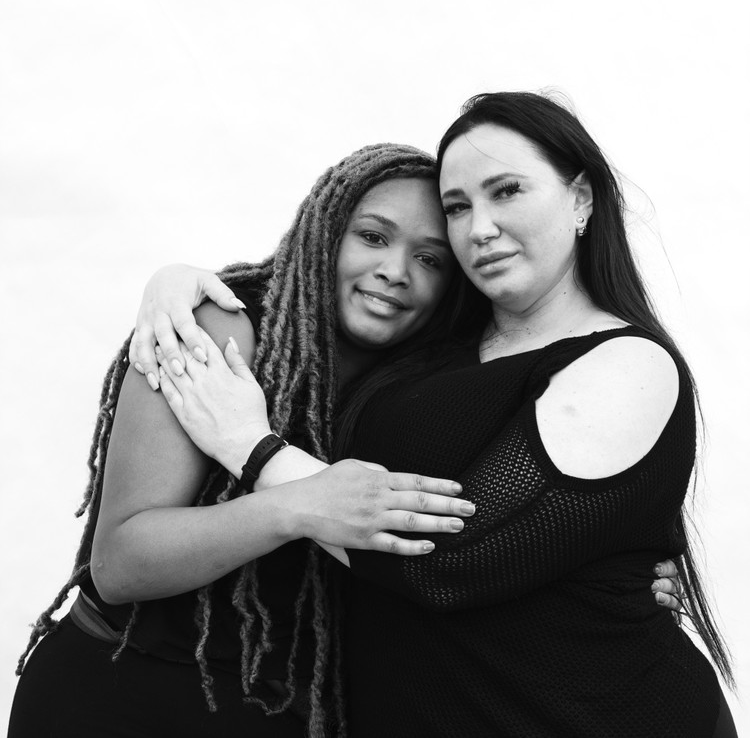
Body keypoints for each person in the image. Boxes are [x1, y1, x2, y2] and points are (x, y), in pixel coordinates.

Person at [129, 92, 735, 737]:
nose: (478, 228)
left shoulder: (628, 364)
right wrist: (177, 282)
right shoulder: (436, 345)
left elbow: (445, 566)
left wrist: (253, 449)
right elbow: (313, 301)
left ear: (581, 199)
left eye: (507, 192)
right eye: (457, 207)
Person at [9, 144, 484, 738]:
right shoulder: (222, 328)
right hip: (118, 693)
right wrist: (299, 504)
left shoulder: (439, 382)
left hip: (276, 710)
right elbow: (121, 563)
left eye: (430, 259)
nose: (396, 270)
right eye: (372, 237)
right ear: (325, 232)